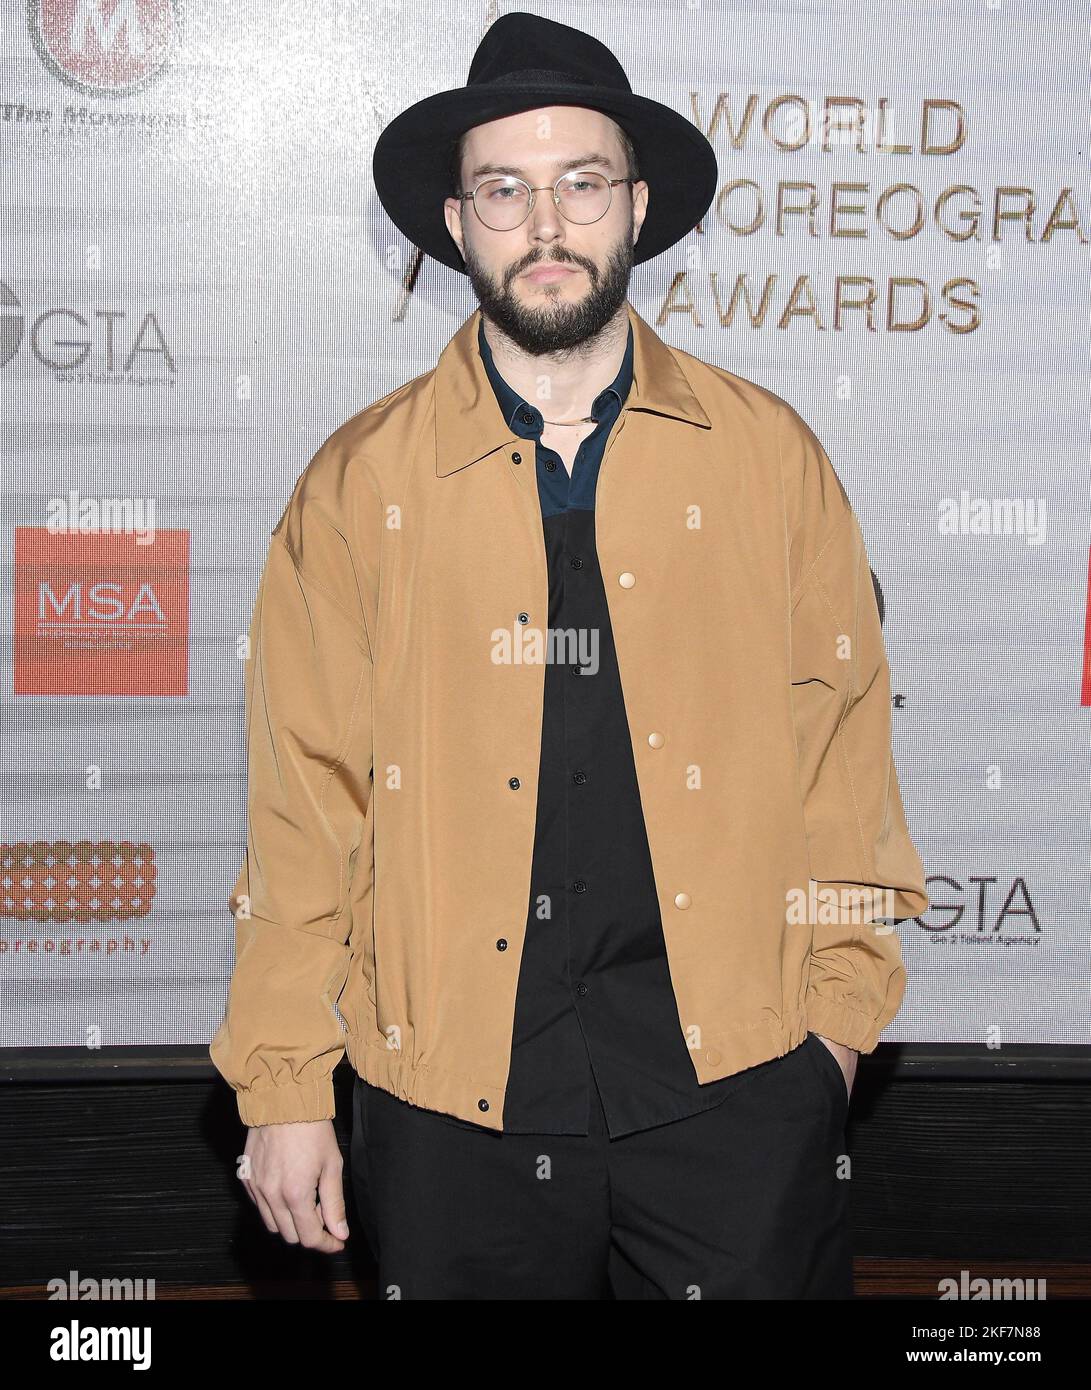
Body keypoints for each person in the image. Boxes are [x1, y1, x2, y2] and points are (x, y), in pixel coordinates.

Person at [210, 11, 929, 1299]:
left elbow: (846, 759)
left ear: (637, 207)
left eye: (582, 183)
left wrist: (834, 1028)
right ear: (458, 220)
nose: (546, 224)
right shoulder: (357, 487)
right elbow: (304, 809)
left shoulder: (766, 461)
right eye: (506, 189)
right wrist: (282, 1086)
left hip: (740, 1087)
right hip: (450, 1101)